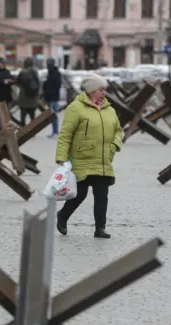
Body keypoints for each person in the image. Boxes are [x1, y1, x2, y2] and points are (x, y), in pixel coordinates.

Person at [54, 74, 122, 239]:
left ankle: (100, 228)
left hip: (102, 160)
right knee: (79, 194)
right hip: (81, 159)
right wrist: (62, 158)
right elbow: (65, 135)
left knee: (101, 195)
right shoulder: (75, 108)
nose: (104, 93)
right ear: (91, 91)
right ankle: (62, 216)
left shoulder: (109, 109)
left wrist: (114, 146)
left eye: (105, 89)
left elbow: (118, 131)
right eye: (100, 89)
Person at [16, 57, 39, 126]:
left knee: (23, 116)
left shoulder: (22, 72)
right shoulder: (35, 71)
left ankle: (23, 130)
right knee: (32, 116)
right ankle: (33, 131)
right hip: (33, 97)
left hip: (24, 97)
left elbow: (18, 82)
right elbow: (38, 83)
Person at [43, 57, 62, 137]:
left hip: (53, 97)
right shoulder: (49, 73)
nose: (48, 65)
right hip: (49, 97)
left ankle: (56, 132)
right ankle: (54, 132)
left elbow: (58, 85)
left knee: (54, 115)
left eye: (49, 64)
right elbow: (47, 84)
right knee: (51, 115)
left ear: (52, 64)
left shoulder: (56, 73)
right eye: (47, 64)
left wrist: (50, 92)